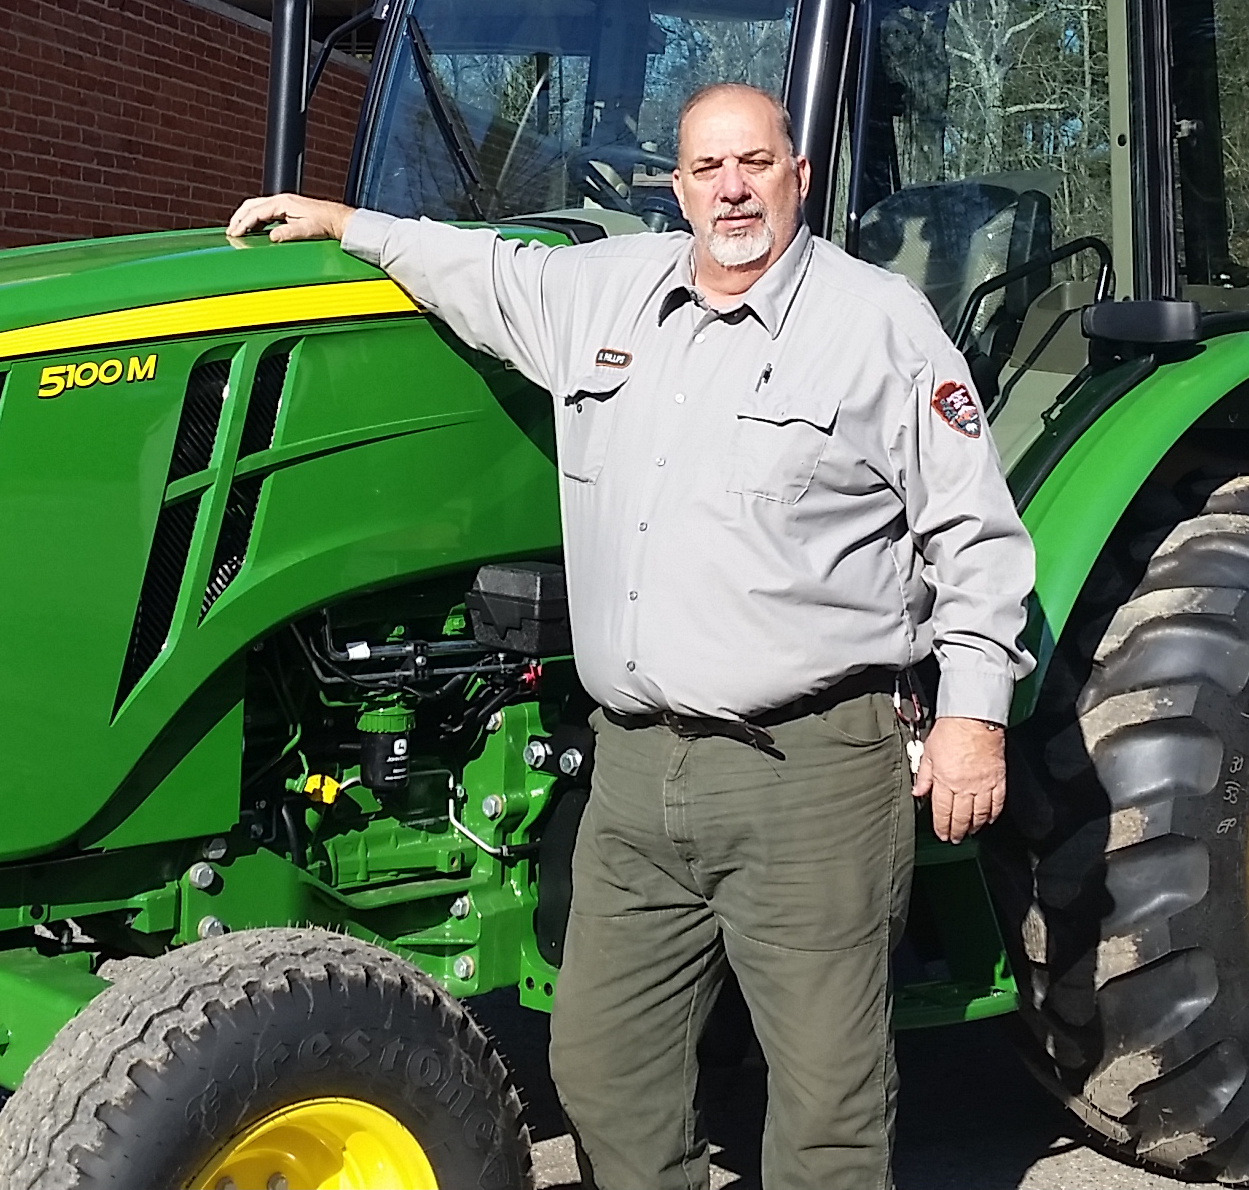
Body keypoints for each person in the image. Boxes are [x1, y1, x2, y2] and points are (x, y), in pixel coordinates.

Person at [226, 81, 1035, 1190]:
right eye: (708, 168)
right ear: (678, 185)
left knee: (826, 1106)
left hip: (808, 771)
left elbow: (977, 539)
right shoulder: (607, 292)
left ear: (798, 176)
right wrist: (349, 223)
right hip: (637, 772)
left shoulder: (876, 325)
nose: (733, 189)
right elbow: (486, 271)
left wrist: (972, 721)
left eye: (756, 163)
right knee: (603, 1061)